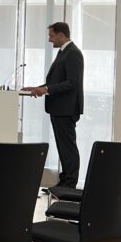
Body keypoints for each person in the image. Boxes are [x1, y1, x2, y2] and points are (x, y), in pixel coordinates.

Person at [27, 22, 85, 189]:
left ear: (61, 35)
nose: (49, 39)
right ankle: (65, 181)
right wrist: (38, 88)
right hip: (59, 108)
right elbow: (56, 81)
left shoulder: (73, 53)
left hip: (66, 109)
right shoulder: (63, 52)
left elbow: (72, 83)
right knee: (63, 146)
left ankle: (69, 184)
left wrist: (46, 89)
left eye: (51, 36)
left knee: (68, 147)